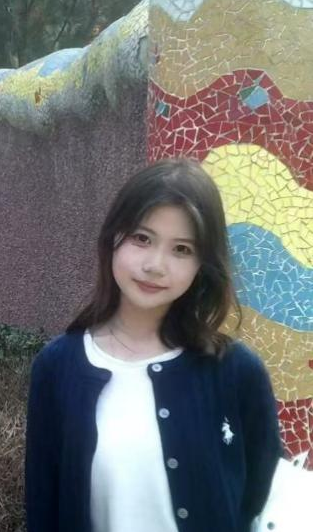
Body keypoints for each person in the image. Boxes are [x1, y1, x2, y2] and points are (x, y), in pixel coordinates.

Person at [25, 158, 282, 532]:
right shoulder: (56, 367)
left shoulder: (236, 371)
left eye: (182, 249)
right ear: (113, 238)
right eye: (142, 239)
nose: (155, 265)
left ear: (202, 263)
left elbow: (261, 499)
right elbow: (43, 505)